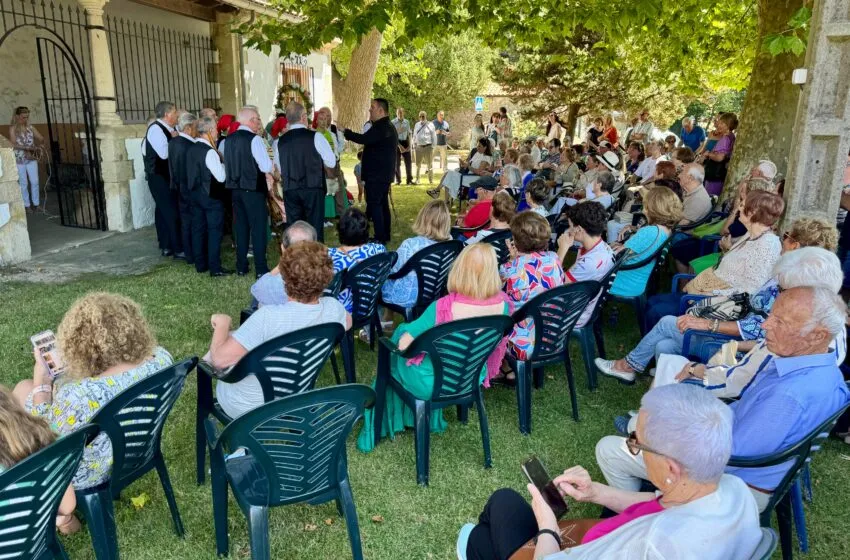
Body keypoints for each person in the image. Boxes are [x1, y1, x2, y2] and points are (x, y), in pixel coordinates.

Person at [596, 287, 850, 513]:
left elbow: (733, 455)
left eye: (779, 322)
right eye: (771, 315)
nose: (765, 325)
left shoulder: (790, 394)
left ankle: (646, 519)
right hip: (747, 459)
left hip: (736, 483)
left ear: (817, 336)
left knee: (610, 449)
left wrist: (675, 441)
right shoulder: (824, 371)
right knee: (645, 426)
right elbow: (744, 419)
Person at [462, 383, 761, 560]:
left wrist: (548, 527)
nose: (634, 447)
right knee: (497, 515)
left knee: (487, 526)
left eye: (637, 442)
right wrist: (596, 492)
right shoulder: (732, 490)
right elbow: (659, 504)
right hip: (591, 542)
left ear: (671, 467)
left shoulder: (653, 547)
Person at [597, 228, 841, 385]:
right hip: (738, 332)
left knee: (666, 323)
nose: (781, 238)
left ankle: (628, 366)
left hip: (737, 347)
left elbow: (757, 329)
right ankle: (660, 402)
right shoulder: (792, 283)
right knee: (664, 345)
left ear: (797, 246)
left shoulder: (793, 293)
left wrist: (707, 324)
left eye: (786, 235)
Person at [358, 243, 512, 452]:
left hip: (431, 383)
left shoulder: (442, 307)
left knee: (396, 344)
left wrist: (403, 332)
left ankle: (385, 417)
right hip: (471, 377)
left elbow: (403, 346)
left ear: (460, 269)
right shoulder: (503, 306)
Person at [13, 293, 173, 490]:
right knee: (25, 387)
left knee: (22, 393)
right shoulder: (161, 359)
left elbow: (46, 441)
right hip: (139, 448)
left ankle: (50, 503)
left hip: (87, 471)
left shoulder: (79, 395)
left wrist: (42, 382)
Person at [208, 241, 351, 418]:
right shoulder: (334, 309)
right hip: (296, 394)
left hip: (250, 406)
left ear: (283, 277)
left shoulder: (267, 317)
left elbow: (219, 360)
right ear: (328, 277)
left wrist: (223, 323)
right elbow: (348, 323)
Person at [642, 190, 784, 329]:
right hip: (707, 291)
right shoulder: (751, 235)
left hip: (717, 303)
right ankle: (654, 340)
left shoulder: (768, 245)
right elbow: (738, 264)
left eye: (742, 205)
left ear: (753, 212)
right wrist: (727, 250)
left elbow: (751, 290)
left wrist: (713, 293)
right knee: (653, 302)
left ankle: (661, 341)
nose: (739, 208)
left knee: (656, 311)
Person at [0, 386, 80, 535]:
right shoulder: (50, 436)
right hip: (39, 524)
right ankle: (62, 522)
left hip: (10, 539)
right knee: (63, 514)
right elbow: (68, 506)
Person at [501, 212, 566, 366]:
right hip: (554, 334)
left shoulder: (509, 270)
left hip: (523, 343)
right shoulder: (554, 259)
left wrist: (512, 261)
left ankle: (505, 368)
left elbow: (498, 303)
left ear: (515, 240)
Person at [222, 106, 274, 277]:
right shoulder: (255, 139)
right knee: (258, 229)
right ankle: (260, 268)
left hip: (235, 189)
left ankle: (241, 266)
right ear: (252, 120)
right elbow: (265, 166)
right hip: (253, 189)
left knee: (241, 227)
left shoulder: (228, 139)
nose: (259, 122)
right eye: (258, 119)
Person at [274, 102, 336, 241]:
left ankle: (297, 254)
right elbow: (331, 162)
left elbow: (279, 167)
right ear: (303, 117)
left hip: (291, 189)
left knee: (294, 229)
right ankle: (315, 254)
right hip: (313, 187)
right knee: (315, 228)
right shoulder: (316, 137)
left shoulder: (280, 141)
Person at [609, 187, 681, 298]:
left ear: (652, 208)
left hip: (623, 281)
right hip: (638, 278)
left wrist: (608, 247)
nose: (643, 210)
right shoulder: (667, 230)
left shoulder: (649, 232)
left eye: (645, 205)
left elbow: (616, 257)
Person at [343, 99, 397, 244]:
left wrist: (346, 132)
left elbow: (363, 139)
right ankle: (385, 235)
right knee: (382, 204)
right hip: (382, 174)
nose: (369, 110)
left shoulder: (382, 126)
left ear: (381, 111)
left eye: (372, 107)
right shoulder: (386, 125)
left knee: (375, 205)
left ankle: (380, 237)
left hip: (377, 175)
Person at [382, 200, 452, 311]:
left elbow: (394, 270)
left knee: (380, 283)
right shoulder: (451, 243)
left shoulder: (411, 245)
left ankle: (386, 318)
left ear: (422, 218)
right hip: (434, 292)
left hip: (409, 297)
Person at [554, 201, 615, 327]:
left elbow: (554, 283)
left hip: (574, 312)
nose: (568, 230)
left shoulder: (589, 263)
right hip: (585, 300)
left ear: (579, 229)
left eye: (570, 226)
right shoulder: (603, 247)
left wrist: (562, 249)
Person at [187, 116, 230, 276]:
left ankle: (200, 264)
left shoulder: (191, 148)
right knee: (214, 232)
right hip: (210, 197)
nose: (217, 132)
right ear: (210, 130)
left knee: (198, 230)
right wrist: (224, 165)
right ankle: (215, 267)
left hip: (195, 195)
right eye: (216, 129)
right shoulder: (209, 152)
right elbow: (221, 177)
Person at [143, 101, 185, 258]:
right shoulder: (155, 129)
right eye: (174, 112)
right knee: (170, 212)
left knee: (163, 212)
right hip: (159, 177)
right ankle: (177, 248)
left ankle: (166, 245)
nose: (177, 115)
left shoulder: (172, 128)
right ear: (167, 114)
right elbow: (164, 154)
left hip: (169, 177)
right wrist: (174, 140)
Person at [328, 207, 388, 313]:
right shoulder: (379, 249)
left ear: (340, 230)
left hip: (342, 311)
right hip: (370, 305)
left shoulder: (330, 256)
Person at [251, 220, 317, 306]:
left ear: (283, 248)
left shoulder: (269, 284)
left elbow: (256, 290)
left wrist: (282, 263)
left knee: (256, 301)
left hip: (277, 312)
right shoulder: (322, 278)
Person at [169, 111, 197, 266]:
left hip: (179, 187)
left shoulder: (174, 142)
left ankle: (189, 253)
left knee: (186, 222)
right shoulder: (189, 145)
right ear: (188, 128)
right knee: (192, 222)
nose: (197, 130)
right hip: (188, 188)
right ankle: (193, 252)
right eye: (195, 127)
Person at [430, 136, 494, 201]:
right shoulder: (478, 153)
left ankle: (438, 192)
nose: (477, 147)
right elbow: (470, 163)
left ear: (485, 147)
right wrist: (464, 164)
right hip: (468, 174)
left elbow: (479, 172)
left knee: (449, 175)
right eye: (477, 145)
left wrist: (468, 166)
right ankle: (444, 199)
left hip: (474, 178)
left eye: (479, 146)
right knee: (448, 175)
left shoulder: (486, 157)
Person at [9, 106, 44, 213]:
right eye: (23, 117)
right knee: (23, 183)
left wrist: (40, 145)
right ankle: (27, 205)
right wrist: (27, 148)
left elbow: (41, 138)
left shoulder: (31, 127)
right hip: (19, 159)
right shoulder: (13, 128)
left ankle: (36, 204)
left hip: (31, 158)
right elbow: (13, 145)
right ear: (17, 116)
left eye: (27, 117)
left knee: (35, 181)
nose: (25, 119)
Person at [315, 106, 347, 219]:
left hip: (335, 164)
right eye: (322, 118)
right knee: (326, 190)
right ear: (317, 120)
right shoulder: (315, 134)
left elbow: (338, 149)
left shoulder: (332, 133)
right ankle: (325, 216)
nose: (325, 120)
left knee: (339, 189)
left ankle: (342, 215)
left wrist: (341, 134)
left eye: (327, 117)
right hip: (323, 166)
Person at [701, 112, 738, 196]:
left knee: (709, 197)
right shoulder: (731, 136)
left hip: (715, 174)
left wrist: (708, 154)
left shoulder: (725, 138)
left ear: (728, 125)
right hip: (720, 174)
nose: (718, 125)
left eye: (722, 123)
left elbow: (720, 157)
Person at [413, 111, 437, 184]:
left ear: (426, 116)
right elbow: (414, 136)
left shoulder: (430, 124)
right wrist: (414, 145)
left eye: (423, 116)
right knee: (418, 165)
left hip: (428, 147)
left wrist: (433, 146)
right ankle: (417, 180)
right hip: (418, 147)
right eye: (420, 116)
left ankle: (431, 180)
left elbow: (434, 136)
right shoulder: (417, 124)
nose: (421, 117)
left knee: (429, 164)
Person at [393, 107, 413, 185]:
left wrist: (409, 145)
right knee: (397, 163)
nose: (400, 114)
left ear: (403, 113)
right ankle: (398, 180)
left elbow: (409, 134)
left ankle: (409, 180)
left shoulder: (407, 122)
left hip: (405, 142)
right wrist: (399, 146)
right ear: (396, 113)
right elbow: (393, 136)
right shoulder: (393, 122)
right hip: (396, 143)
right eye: (398, 113)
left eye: (401, 112)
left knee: (408, 163)